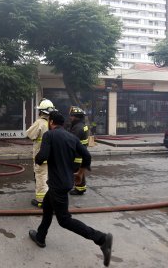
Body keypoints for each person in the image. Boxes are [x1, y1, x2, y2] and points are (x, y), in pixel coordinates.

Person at [28, 111, 113, 267]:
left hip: (57, 185)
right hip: (65, 182)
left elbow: (41, 157)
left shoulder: (49, 135)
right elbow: (87, 156)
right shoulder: (71, 137)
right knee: (47, 208)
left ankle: (101, 238)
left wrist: (39, 159)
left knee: (64, 220)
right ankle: (40, 237)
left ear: (51, 122)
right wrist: (80, 173)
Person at [25, 98, 55, 208]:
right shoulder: (53, 123)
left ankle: (42, 201)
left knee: (41, 177)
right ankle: (50, 197)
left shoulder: (40, 123)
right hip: (52, 156)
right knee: (49, 177)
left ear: (41, 111)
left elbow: (29, 134)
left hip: (41, 155)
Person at [68, 106, 89, 195]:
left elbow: (72, 141)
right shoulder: (82, 125)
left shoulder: (77, 128)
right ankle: (81, 187)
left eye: (72, 116)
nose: (70, 117)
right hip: (82, 152)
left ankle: (79, 189)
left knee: (76, 171)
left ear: (77, 117)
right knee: (80, 170)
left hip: (77, 154)